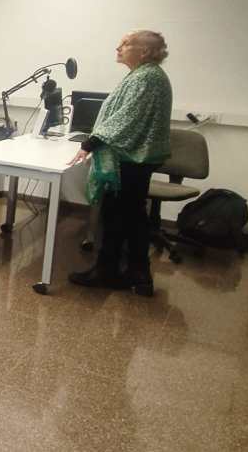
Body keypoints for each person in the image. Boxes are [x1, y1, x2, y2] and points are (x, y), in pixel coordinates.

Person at [67, 30, 173, 297]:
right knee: (131, 216)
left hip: (132, 159)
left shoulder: (147, 77)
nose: (118, 47)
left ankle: (108, 272)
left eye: (125, 44)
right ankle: (137, 274)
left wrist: (91, 142)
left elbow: (127, 118)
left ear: (144, 52)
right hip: (134, 157)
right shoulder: (145, 75)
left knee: (117, 216)